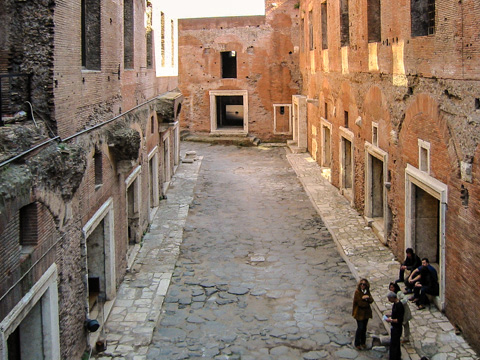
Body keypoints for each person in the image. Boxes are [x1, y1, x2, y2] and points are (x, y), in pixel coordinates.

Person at [352, 278, 374, 350]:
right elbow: (360, 303)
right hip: (359, 313)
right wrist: (366, 301)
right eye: (361, 284)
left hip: (366, 314)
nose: (362, 285)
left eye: (364, 284)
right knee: (360, 328)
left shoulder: (366, 291)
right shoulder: (357, 292)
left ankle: (363, 342)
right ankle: (357, 343)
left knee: (364, 328)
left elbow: (371, 300)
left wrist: (366, 298)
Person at [386, 291, 404, 360]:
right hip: (394, 327)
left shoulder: (399, 305)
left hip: (397, 328)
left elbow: (399, 319)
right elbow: (394, 313)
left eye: (389, 298)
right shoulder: (395, 304)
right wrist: (390, 315)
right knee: (395, 343)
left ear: (393, 298)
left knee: (394, 343)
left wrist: (390, 320)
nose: (389, 300)